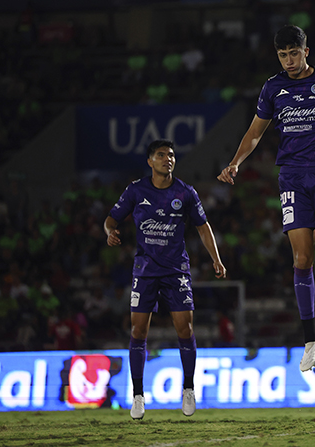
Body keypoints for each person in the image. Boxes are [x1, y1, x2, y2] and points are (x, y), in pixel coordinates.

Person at [217, 25, 315, 375]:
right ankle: (309, 339)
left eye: (293, 53)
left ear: (306, 51)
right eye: (282, 55)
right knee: (301, 258)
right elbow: (256, 132)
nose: (288, 60)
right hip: (291, 177)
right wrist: (235, 163)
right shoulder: (273, 87)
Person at [104, 139, 227, 420]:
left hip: (176, 271)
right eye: (161, 155)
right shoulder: (136, 190)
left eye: (171, 155)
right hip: (145, 270)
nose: (167, 159)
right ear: (150, 161)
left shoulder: (185, 192)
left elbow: (203, 226)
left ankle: (188, 388)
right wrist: (108, 232)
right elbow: (111, 219)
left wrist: (216, 258)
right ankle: (137, 395)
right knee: (138, 332)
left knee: (185, 329)